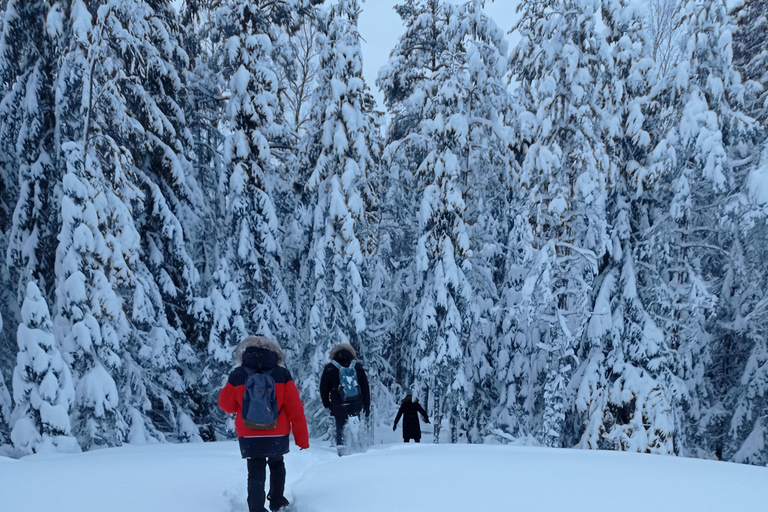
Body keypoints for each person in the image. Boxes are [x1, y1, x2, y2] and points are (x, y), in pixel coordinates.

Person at [218, 335, 309, 512]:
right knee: (277, 464)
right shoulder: (282, 374)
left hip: (249, 432)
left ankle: (256, 508)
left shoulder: (238, 374)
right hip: (277, 431)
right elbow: (295, 409)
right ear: (274, 352)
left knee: (255, 470)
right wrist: (302, 439)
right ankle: (277, 501)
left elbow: (226, 405)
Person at [319, 343, 371, 452]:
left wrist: (327, 404)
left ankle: (342, 449)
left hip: (338, 404)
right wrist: (366, 404)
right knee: (356, 425)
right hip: (356, 403)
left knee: (340, 427)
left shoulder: (330, 368)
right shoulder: (357, 366)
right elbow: (365, 387)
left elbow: (323, 388)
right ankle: (359, 448)